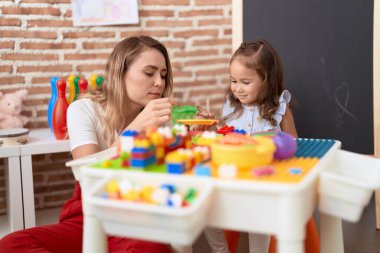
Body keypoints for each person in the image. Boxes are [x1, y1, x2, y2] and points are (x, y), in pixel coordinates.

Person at [0, 36, 174, 253]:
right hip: (88, 215)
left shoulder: (161, 119)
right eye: (149, 73)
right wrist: (134, 130)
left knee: (152, 248)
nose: (159, 82)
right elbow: (85, 173)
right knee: (11, 244)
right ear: (119, 73)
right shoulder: (82, 109)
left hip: (136, 216)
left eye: (163, 75)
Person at [204, 39, 317, 253]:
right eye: (233, 80)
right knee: (207, 212)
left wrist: (277, 146)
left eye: (245, 82)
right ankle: (221, 251)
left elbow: (294, 144)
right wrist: (209, 129)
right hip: (234, 178)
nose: (237, 88)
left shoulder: (279, 108)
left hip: (263, 181)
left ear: (266, 80)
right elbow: (224, 140)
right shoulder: (231, 107)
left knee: (258, 224)